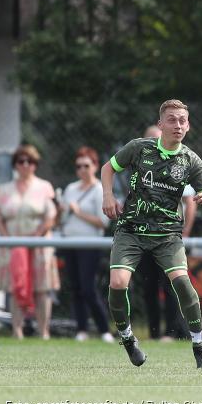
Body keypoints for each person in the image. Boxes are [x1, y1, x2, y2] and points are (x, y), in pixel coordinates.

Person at [102, 99, 202, 368]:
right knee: (118, 283)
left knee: (182, 283)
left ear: (188, 126)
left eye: (182, 120)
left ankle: (199, 345)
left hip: (167, 235)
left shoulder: (190, 160)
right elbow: (108, 168)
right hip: (130, 230)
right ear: (160, 124)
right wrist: (107, 195)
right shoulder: (138, 148)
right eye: (172, 119)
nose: (177, 125)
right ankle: (128, 339)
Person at [0, 144, 60, 339]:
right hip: (13, 246)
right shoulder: (3, 190)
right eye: (21, 161)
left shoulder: (44, 187)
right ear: (15, 165)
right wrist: (9, 240)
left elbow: (51, 215)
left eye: (29, 161)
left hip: (39, 246)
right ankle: (17, 330)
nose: (25, 165)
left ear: (35, 164)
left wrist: (36, 237)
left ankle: (43, 331)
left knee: (42, 288)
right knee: (15, 287)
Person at [137, 124, 196, 342]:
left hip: (170, 237)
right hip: (145, 236)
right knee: (148, 284)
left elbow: (190, 201)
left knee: (171, 283)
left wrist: (185, 232)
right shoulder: (140, 166)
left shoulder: (178, 163)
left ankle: (173, 332)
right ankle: (154, 332)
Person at [59, 146, 115, 343]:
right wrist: (61, 209)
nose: (82, 169)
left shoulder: (100, 189)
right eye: (78, 166)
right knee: (75, 287)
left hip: (90, 245)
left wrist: (78, 212)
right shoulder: (71, 189)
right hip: (69, 243)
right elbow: (63, 218)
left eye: (86, 165)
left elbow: (104, 221)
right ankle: (81, 329)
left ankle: (104, 330)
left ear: (94, 166)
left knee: (88, 288)